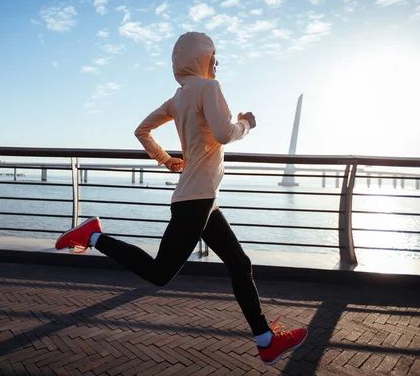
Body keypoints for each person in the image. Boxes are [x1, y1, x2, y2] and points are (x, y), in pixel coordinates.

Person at [55, 31, 307, 365]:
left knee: (239, 263)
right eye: (214, 55)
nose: (217, 62)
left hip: (201, 198)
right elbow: (223, 133)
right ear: (201, 57)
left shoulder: (178, 98)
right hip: (196, 198)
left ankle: (266, 342)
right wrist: (246, 123)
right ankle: (92, 236)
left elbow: (141, 131)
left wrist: (166, 159)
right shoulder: (210, 88)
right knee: (160, 273)